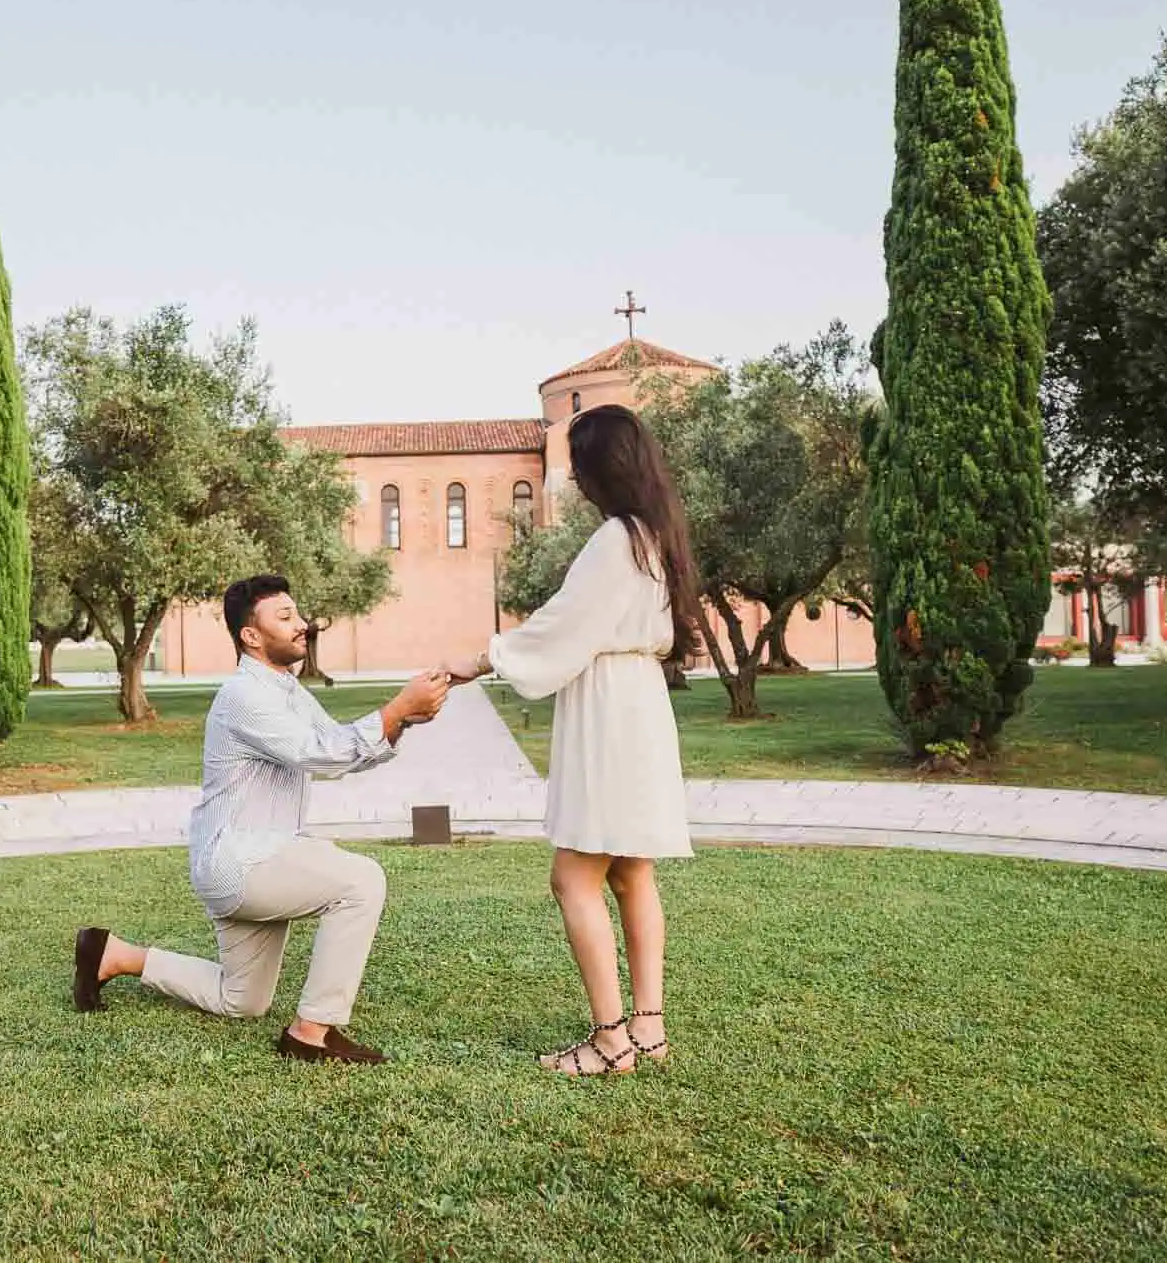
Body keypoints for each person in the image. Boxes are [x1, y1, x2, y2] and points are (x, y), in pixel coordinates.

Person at [72, 574, 452, 1065]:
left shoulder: (287, 691)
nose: (304, 625)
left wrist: (401, 719)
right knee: (361, 881)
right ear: (251, 636)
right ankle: (311, 1034)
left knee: (243, 1000)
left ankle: (114, 955)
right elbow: (323, 753)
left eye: (299, 614)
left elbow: (341, 753)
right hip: (242, 862)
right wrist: (398, 705)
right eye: (286, 617)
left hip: (252, 859)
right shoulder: (243, 696)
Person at [446, 404, 700, 1076]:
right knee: (629, 870)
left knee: (574, 876)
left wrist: (482, 657)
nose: (577, 483)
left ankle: (611, 1039)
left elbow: (563, 624)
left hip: (611, 706)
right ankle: (649, 1029)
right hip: (638, 702)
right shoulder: (657, 535)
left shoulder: (615, 541)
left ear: (601, 470)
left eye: (581, 467)